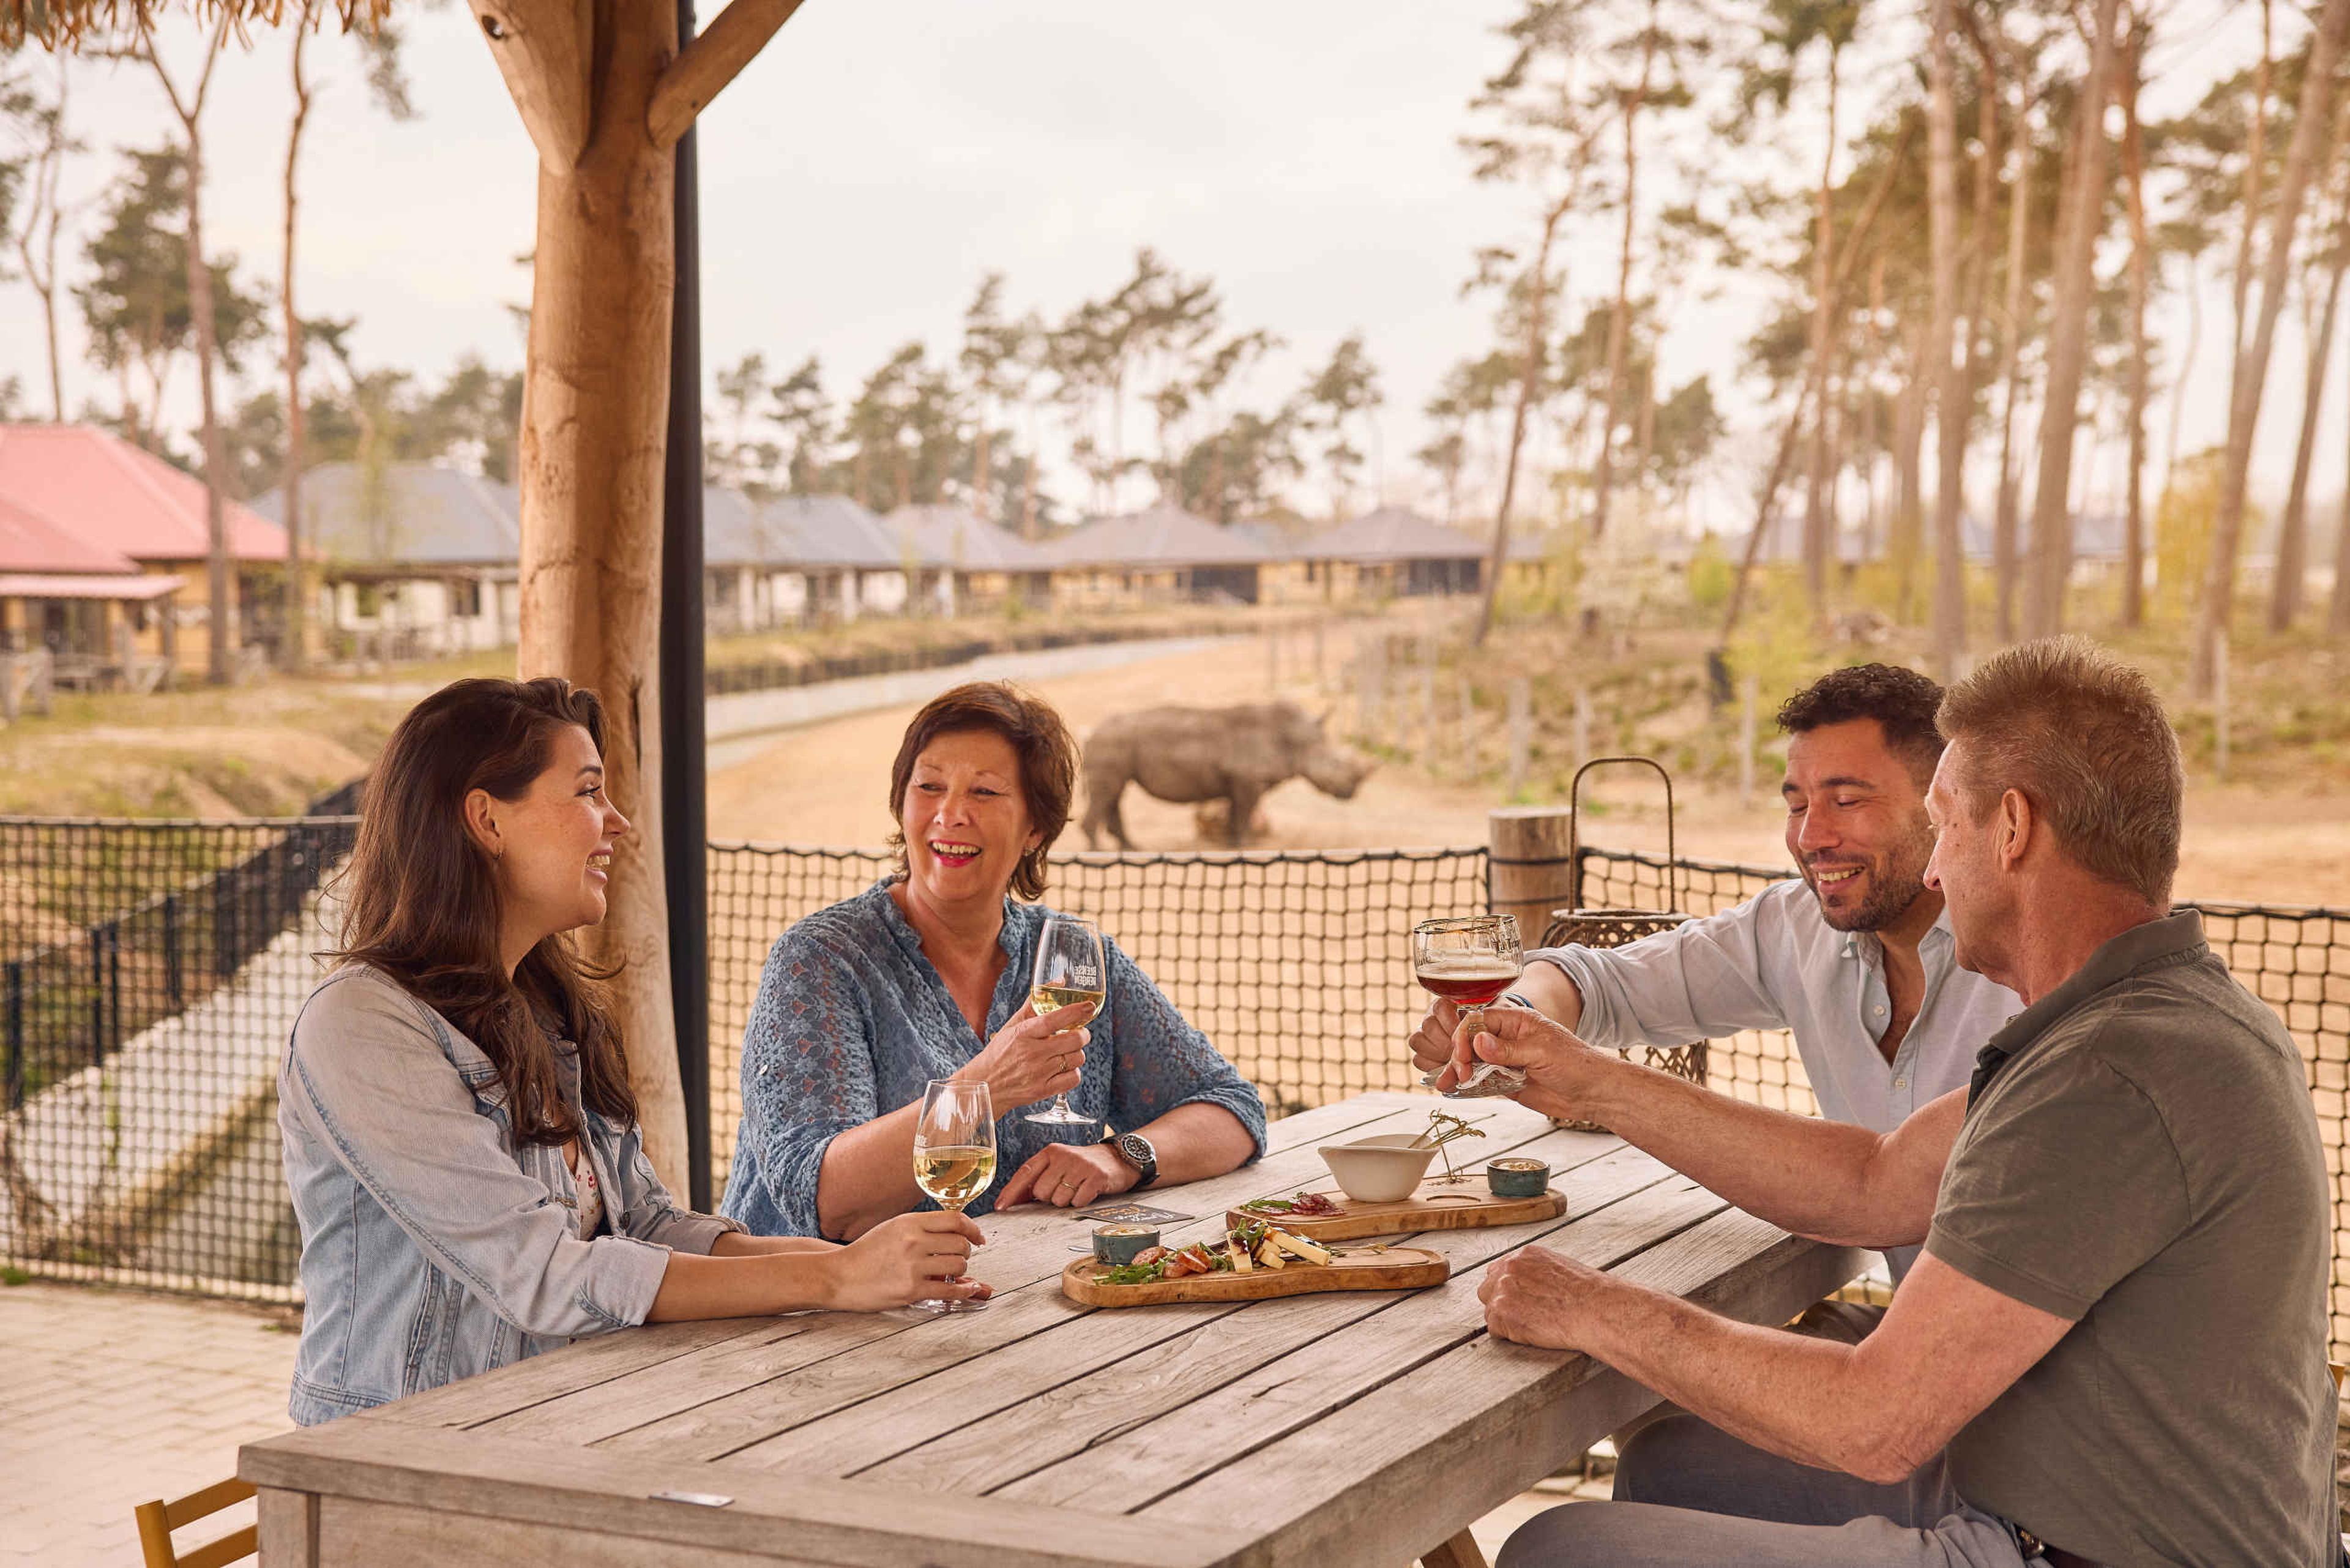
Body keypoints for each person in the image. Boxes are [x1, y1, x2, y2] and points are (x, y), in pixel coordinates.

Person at [1452, 638, 2337, 1567]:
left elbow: (1873, 1421)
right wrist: (1588, 1078)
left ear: (2011, 830)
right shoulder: (2146, 1012)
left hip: (2080, 1541)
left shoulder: (2103, 1077)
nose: (1936, 873)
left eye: (1946, 826)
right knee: (1676, 1462)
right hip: (2058, 1477)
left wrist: (1597, 1309)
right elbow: (1878, 1182)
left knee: (1561, 1547)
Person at [278, 678, 984, 1426]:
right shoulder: (361, 1023)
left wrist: (858, 1261)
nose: (617, 824)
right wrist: (836, 1277)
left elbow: (645, 1227)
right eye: (588, 793)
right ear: (486, 820)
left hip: (557, 1423)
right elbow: (543, 1274)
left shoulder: (542, 1006)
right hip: (401, 1457)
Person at [1412, 661, 2020, 1294]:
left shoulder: (2035, 961)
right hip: (1902, 1330)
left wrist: (1593, 1084)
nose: (1812, 837)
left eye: (1847, 801)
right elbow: (1596, 982)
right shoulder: (1794, 927)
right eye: (1796, 805)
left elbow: (1877, 1190)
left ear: (1943, 806)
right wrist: (1508, 1019)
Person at [721, 681, 1264, 1241]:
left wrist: (1121, 1158)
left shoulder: (1072, 960)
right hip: (800, 1316)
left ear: (1036, 829)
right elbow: (825, 1201)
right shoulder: (821, 960)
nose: (950, 814)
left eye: (984, 792)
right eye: (929, 786)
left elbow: (1232, 1110)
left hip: (1006, 1300)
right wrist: (986, 1087)